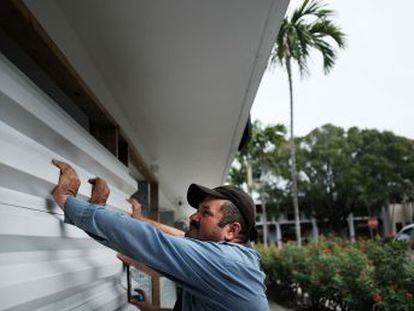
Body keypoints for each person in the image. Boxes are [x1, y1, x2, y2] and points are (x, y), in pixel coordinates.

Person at [51, 159, 268, 311]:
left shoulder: (225, 263)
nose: (193, 217)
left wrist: (67, 199)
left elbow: (154, 241)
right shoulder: (234, 260)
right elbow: (178, 237)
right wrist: (151, 309)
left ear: (232, 230)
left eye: (205, 212)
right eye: (197, 210)